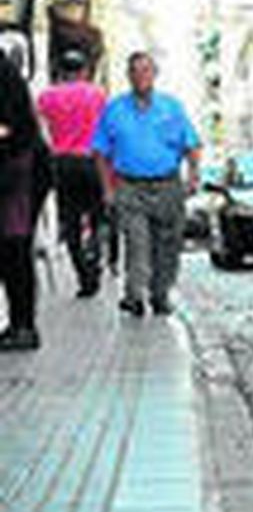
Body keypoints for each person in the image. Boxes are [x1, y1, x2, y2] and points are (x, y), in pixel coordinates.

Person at [91, 52, 201, 318]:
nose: (141, 76)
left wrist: (194, 175)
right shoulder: (114, 109)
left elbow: (192, 144)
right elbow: (100, 153)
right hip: (130, 186)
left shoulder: (172, 107)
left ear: (155, 74)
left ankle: (160, 295)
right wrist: (107, 189)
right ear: (129, 76)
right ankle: (134, 296)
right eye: (136, 71)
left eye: (147, 70)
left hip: (168, 184)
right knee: (137, 243)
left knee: (168, 245)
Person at [37, 48, 109, 297]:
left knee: (70, 221)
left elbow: (39, 129)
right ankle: (95, 253)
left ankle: (83, 276)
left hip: (61, 163)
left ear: (61, 71)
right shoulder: (97, 94)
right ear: (84, 71)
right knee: (98, 215)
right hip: (91, 162)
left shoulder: (46, 97)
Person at [0, 50, 54, 351]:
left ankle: (24, 327)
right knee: (9, 248)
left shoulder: (4, 73)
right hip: (14, 167)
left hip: (21, 170)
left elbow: (9, 127)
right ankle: (20, 323)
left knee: (14, 246)